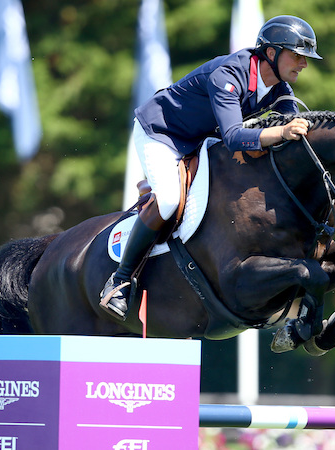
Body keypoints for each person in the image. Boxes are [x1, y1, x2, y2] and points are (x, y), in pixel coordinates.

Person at [99, 15, 323, 320]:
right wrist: (282, 132)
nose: (304, 64)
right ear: (271, 53)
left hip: (202, 139)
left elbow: (285, 128)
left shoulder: (279, 88)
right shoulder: (228, 75)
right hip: (163, 134)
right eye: (297, 56)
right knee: (169, 200)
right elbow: (233, 137)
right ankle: (120, 280)